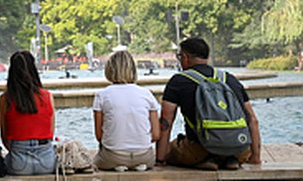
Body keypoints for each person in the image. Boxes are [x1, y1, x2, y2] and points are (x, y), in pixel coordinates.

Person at [156, 37, 262, 170]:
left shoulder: (179, 81)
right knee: (233, 153)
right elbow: (252, 120)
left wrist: (160, 160)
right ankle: (230, 160)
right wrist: (255, 157)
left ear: (185, 57)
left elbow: (166, 122)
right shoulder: (229, 79)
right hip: (238, 149)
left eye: (179, 57)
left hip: (199, 149)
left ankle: (204, 161)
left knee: (172, 149)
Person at [92, 50, 159, 172]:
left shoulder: (102, 95)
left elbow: (99, 135)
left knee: (94, 162)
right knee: (143, 159)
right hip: (145, 156)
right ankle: (139, 165)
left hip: (113, 156)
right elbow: (156, 134)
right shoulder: (147, 94)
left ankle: (119, 165)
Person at [0, 51, 57, 175]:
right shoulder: (47, 96)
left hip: (18, 162)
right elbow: (50, 134)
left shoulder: (5, 99)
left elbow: (4, 137)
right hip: (46, 162)